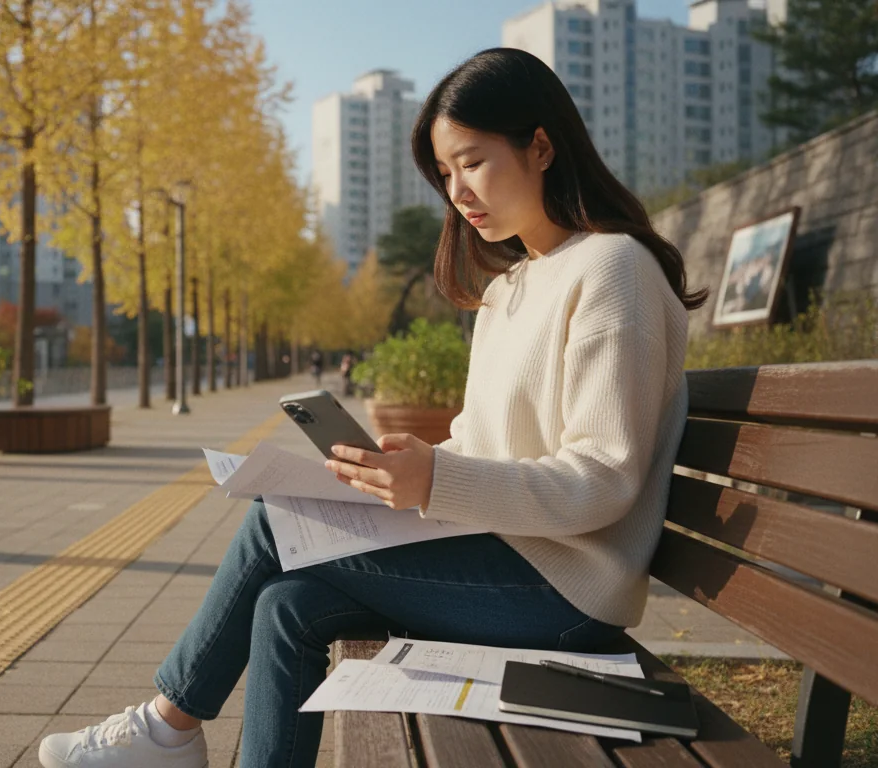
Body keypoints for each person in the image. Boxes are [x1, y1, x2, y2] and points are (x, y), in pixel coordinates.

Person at [36, 47, 705, 768]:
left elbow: (605, 480)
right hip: (508, 560)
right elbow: (480, 447)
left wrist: (437, 483)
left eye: (472, 162)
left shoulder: (613, 269)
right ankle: (171, 734)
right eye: (445, 174)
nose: (458, 192)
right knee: (284, 604)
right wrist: (402, 473)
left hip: (570, 592)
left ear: (540, 146)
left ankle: (166, 728)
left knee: (272, 522)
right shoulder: (509, 291)